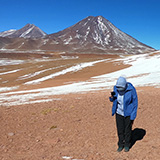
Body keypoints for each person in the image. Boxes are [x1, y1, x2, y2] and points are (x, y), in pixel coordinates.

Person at [109, 76, 138, 152]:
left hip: (128, 113)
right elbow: (113, 99)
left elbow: (135, 103)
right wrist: (111, 97)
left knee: (127, 130)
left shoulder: (131, 90)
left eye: (121, 87)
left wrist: (133, 116)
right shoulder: (115, 88)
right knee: (120, 129)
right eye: (118, 87)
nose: (119, 89)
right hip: (119, 113)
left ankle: (127, 144)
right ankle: (120, 144)